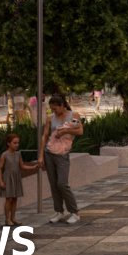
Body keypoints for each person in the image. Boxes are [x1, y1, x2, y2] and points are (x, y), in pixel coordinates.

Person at [40, 94, 83, 224]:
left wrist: (64, 131)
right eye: (51, 109)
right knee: (53, 184)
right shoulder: (50, 118)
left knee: (62, 183)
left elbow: (80, 131)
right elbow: (45, 136)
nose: (53, 111)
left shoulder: (73, 116)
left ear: (62, 105)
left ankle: (74, 212)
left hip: (62, 154)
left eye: (55, 109)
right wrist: (41, 155)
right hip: (49, 153)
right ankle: (59, 212)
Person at [0, 133, 40, 226]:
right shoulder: (4, 155)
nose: (17, 145)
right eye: (14, 143)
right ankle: (7, 219)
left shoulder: (18, 154)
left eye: (18, 143)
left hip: (16, 177)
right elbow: (0, 169)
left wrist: (33, 167)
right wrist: (0, 181)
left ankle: (13, 218)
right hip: (8, 178)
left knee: (15, 199)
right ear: (8, 143)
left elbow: (22, 166)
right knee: (9, 199)